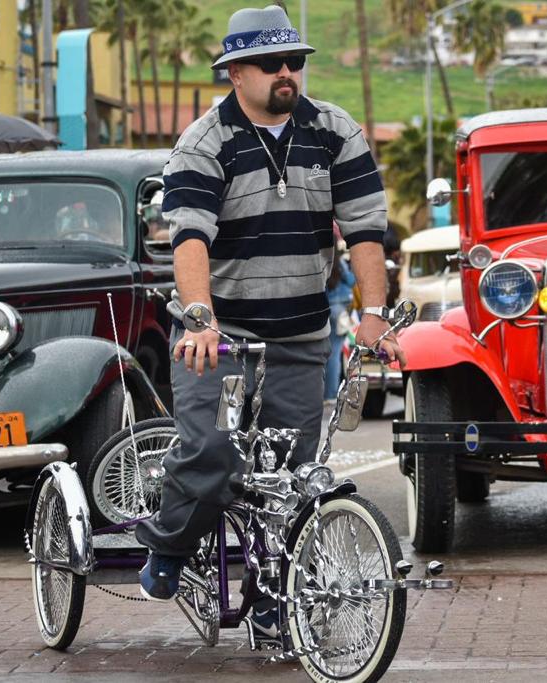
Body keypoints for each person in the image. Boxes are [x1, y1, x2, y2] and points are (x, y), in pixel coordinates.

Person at [134, 4, 405, 634]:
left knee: (291, 478)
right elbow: (191, 239)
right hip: (217, 337)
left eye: (295, 62)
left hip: (302, 333)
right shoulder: (204, 142)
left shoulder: (336, 130)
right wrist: (199, 319)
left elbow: (366, 230)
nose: (287, 73)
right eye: (270, 63)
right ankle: (170, 544)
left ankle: (272, 603)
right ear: (234, 72)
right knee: (209, 453)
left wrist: (372, 315)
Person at [324, 242, 356, 402]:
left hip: (325, 308)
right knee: (335, 353)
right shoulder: (339, 262)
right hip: (340, 309)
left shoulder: (322, 260)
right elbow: (351, 281)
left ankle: (324, 393)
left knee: (325, 353)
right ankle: (331, 394)